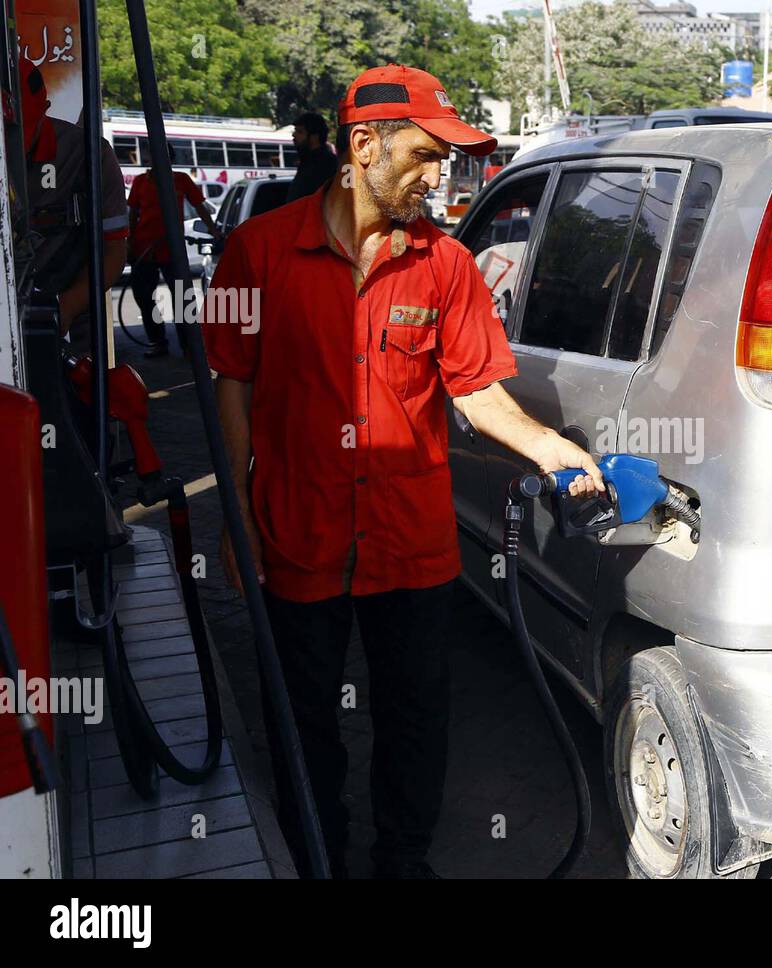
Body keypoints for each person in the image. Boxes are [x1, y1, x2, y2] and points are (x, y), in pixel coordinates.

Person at [202, 64, 603, 879]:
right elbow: (231, 386)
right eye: (424, 156)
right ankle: (319, 855)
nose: (438, 177)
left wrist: (550, 447)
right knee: (304, 720)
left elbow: (477, 393)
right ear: (363, 146)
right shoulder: (256, 252)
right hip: (297, 535)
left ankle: (403, 861)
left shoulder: (446, 266)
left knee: (415, 718)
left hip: (408, 546)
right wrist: (236, 518)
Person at [9, 62, 128, 358]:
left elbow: (113, 251)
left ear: (45, 109)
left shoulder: (89, 156)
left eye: (18, 133)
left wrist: (66, 309)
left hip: (69, 312)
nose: (11, 146)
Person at [127, 150, 222, 356]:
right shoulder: (141, 182)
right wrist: (129, 244)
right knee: (144, 297)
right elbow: (132, 214)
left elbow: (199, 206)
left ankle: (189, 346)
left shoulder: (181, 180)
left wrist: (213, 230)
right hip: (144, 250)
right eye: (150, 156)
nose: (151, 159)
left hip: (172, 249)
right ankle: (158, 342)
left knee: (182, 297)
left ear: (168, 158)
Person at [286, 111, 337, 202]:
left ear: (314, 137)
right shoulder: (307, 161)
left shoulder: (326, 165)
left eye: (300, 132)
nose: (294, 135)